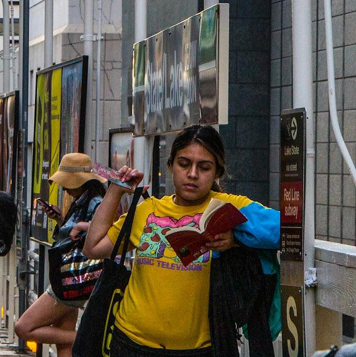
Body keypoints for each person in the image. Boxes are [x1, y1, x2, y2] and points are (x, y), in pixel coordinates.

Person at [83, 125, 280, 357]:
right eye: (184, 164)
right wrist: (115, 192)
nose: (193, 174)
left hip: (197, 350)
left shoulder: (229, 207)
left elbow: (286, 229)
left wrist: (237, 238)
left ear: (217, 172)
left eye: (204, 167)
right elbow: (93, 247)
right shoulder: (148, 210)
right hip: (129, 343)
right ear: (171, 165)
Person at [15, 153, 106, 357]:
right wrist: (61, 220)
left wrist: (81, 225)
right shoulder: (81, 200)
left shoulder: (96, 202)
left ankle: (89, 337)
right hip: (70, 275)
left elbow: (106, 230)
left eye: (68, 182)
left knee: (23, 327)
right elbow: (75, 235)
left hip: (72, 277)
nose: (64, 187)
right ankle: (81, 338)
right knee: (63, 343)